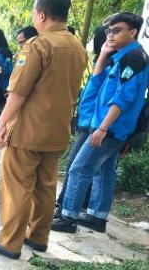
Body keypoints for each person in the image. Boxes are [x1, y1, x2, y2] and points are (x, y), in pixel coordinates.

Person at [0, 0, 87, 259]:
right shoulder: (77, 46)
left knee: (17, 185)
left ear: (41, 14)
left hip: (28, 130)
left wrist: (1, 125)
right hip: (58, 131)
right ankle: (39, 237)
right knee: (46, 184)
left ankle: (10, 242)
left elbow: (18, 93)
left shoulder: (37, 45)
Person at [52, 12, 148, 234]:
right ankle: (97, 216)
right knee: (104, 172)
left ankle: (67, 217)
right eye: (108, 31)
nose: (110, 35)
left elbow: (124, 98)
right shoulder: (123, 56)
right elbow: (99, 89)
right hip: (108, 127)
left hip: (111, 128)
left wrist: (103, 127)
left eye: (117, 30)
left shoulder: (133, 58)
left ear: (132, 32)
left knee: (79, 169)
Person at [54, 23, 110, 218]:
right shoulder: (103, 61)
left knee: (76, 167)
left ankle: (66, 211)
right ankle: (90, 211)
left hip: (93, 124)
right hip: (90, 121)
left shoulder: (112, 62)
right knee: (98, 170)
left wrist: (100, 127)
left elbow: (109, 98)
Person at [0, 28, 14, 129]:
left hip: (3, 83)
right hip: (0, 82)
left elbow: (5, 69)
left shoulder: (3, 51)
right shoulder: (2, 50)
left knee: (1, 106)